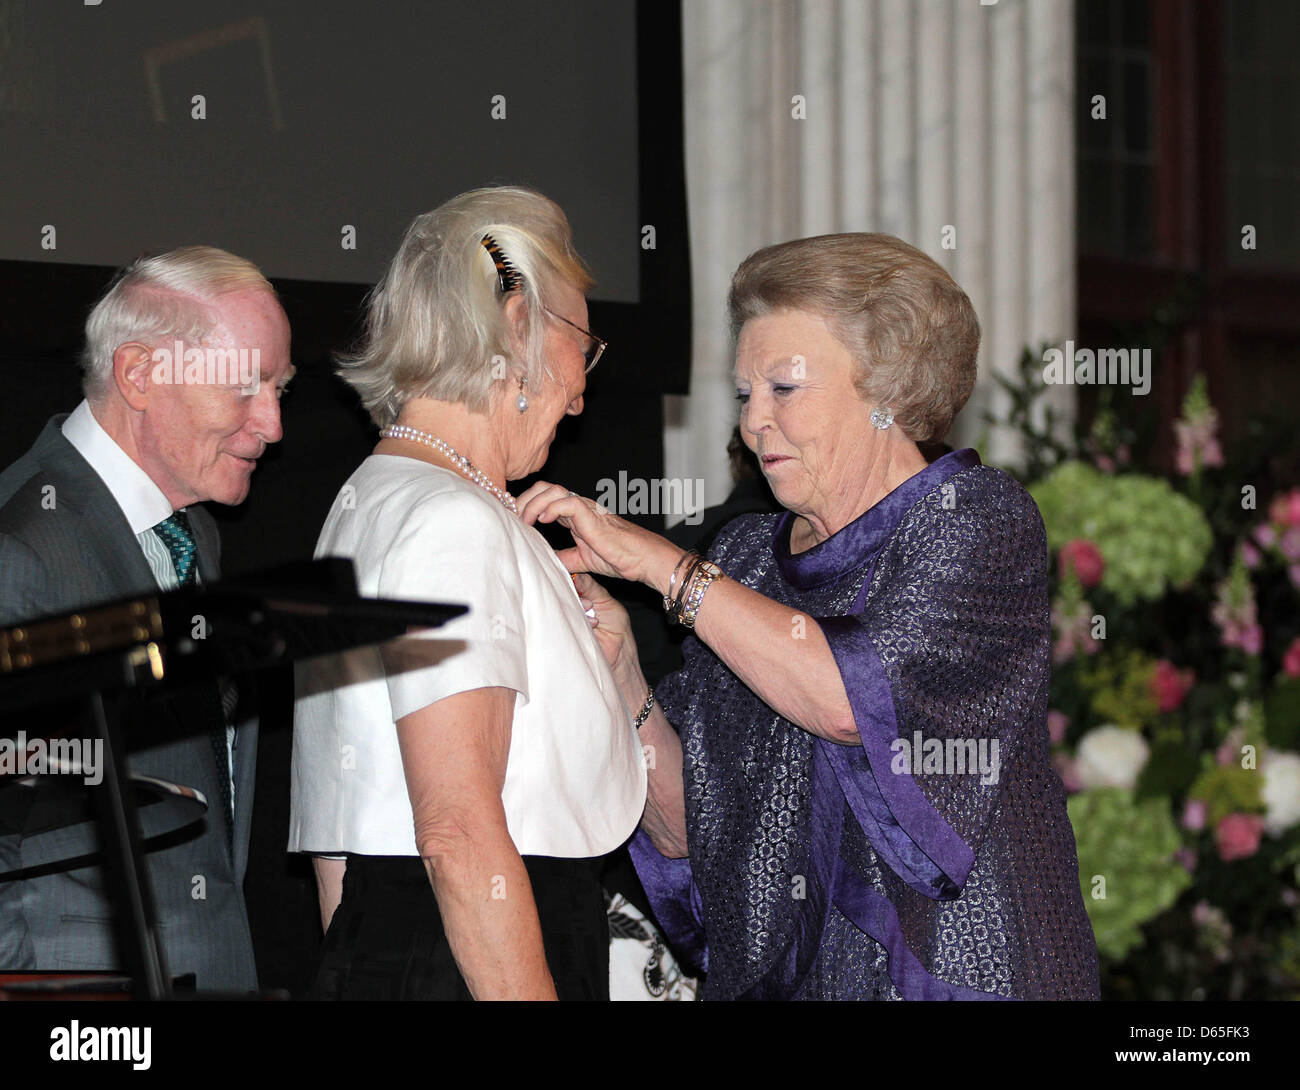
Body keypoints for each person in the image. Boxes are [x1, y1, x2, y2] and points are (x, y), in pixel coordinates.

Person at [520, 232, 1102, 1000]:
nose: (754, 423)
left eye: (784, 389)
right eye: (743, 396)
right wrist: (623, 674)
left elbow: (850, 699)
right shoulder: (748, 562)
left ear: (887, 388)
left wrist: (663, 566)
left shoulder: (975, 519)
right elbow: (687, 832)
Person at [289, 186, 647, 1001]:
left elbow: (343, 834)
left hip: (417, 951)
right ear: (517, 329)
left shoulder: (364, 504)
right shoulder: (452, 521)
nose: (583, 393)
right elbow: (455, 829)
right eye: (580, 349)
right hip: (483, 957)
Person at [0, 246, 293, 991]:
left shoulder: (193, 533)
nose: (274, 424)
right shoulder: (19, 544)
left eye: (281, 388)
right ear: (138, 375)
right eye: (247, 388)